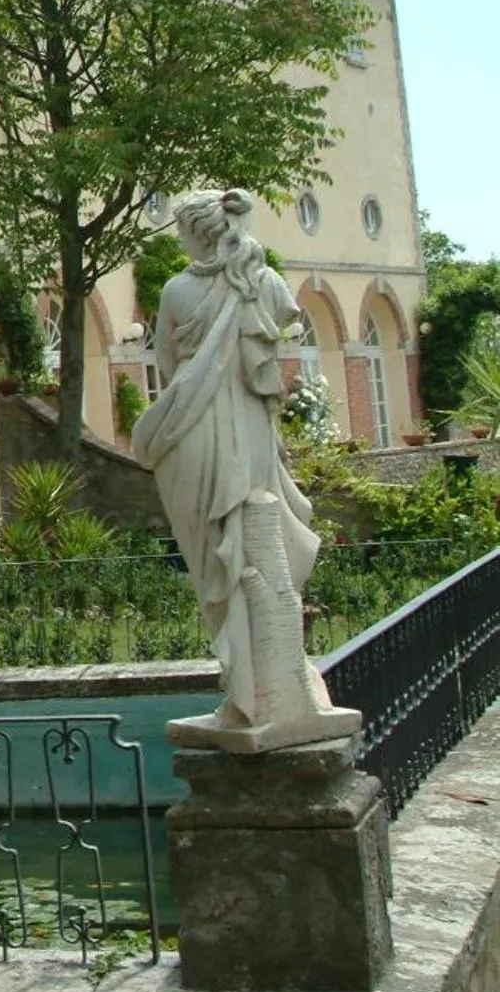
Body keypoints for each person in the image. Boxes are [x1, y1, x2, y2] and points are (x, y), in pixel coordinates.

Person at [131, 189, 358, 750]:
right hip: (248, 434)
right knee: (252, 543)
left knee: (217, 560)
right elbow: (284, 331)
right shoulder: (263, 281)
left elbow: (165, 363)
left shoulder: (178, 291)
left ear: (193, 231)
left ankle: (251, 692)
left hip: (194, 433)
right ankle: (270, 690)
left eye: (181, 228)